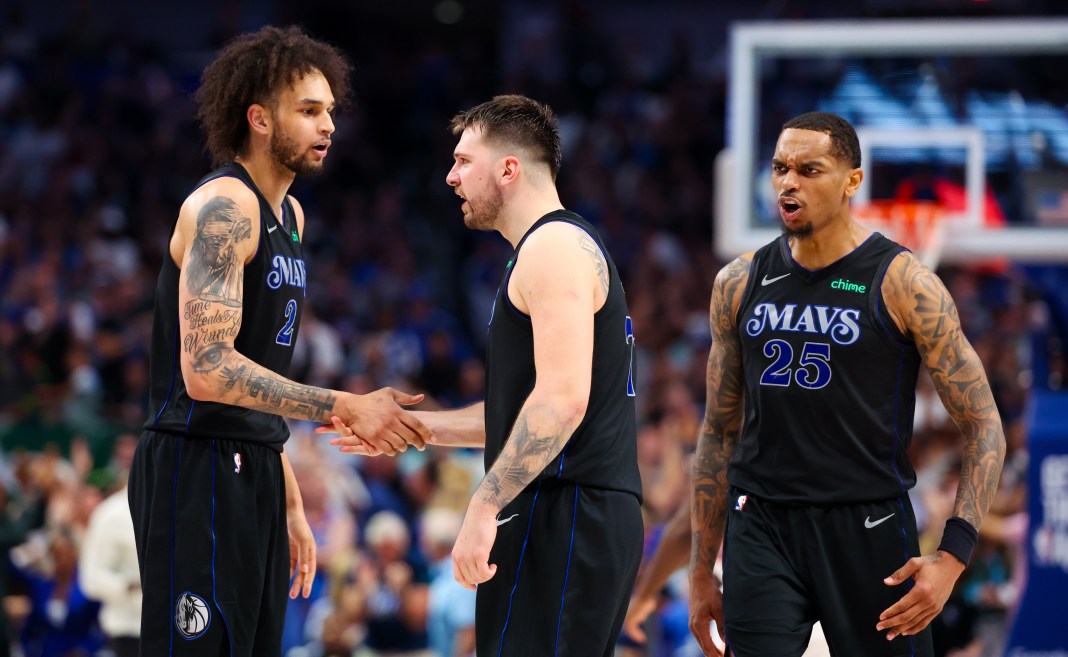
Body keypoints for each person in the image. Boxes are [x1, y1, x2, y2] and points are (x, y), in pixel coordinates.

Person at [128, 26, 430, 657]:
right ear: (259, 118)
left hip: (253, 464)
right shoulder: (224, 208)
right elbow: (208, 370)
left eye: (330, 111)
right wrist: (343, 404)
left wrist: (286, 494)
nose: (328, 127)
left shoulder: (289, 217)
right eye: (310, 111)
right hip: (194, 463)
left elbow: (259, 377)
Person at [327, 94, 644, 656]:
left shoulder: (553, 247)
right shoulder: (546, 250)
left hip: (566, 509)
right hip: (566, 507)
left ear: (508, 168)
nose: (450, 177)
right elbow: (519, 412)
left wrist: (484, 502)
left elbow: (563, 401)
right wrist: (412, 427)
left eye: (463, 161)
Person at [687, 111, 1006, 657]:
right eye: (780, 168)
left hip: (868, 523)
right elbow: (718, 432)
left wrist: (952, 556)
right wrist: (700, 569)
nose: (789, 182)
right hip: (761, 522)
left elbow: (984, 425)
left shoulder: (906, 284)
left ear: (852, 181)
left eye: (809, 170)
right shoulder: (739, 282)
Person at [79, 484, 141, 657]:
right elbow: (91, 579)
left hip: (180, 627)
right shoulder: (111, 513)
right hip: (131, 631)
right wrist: (134, 586)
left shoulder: (184, 504)